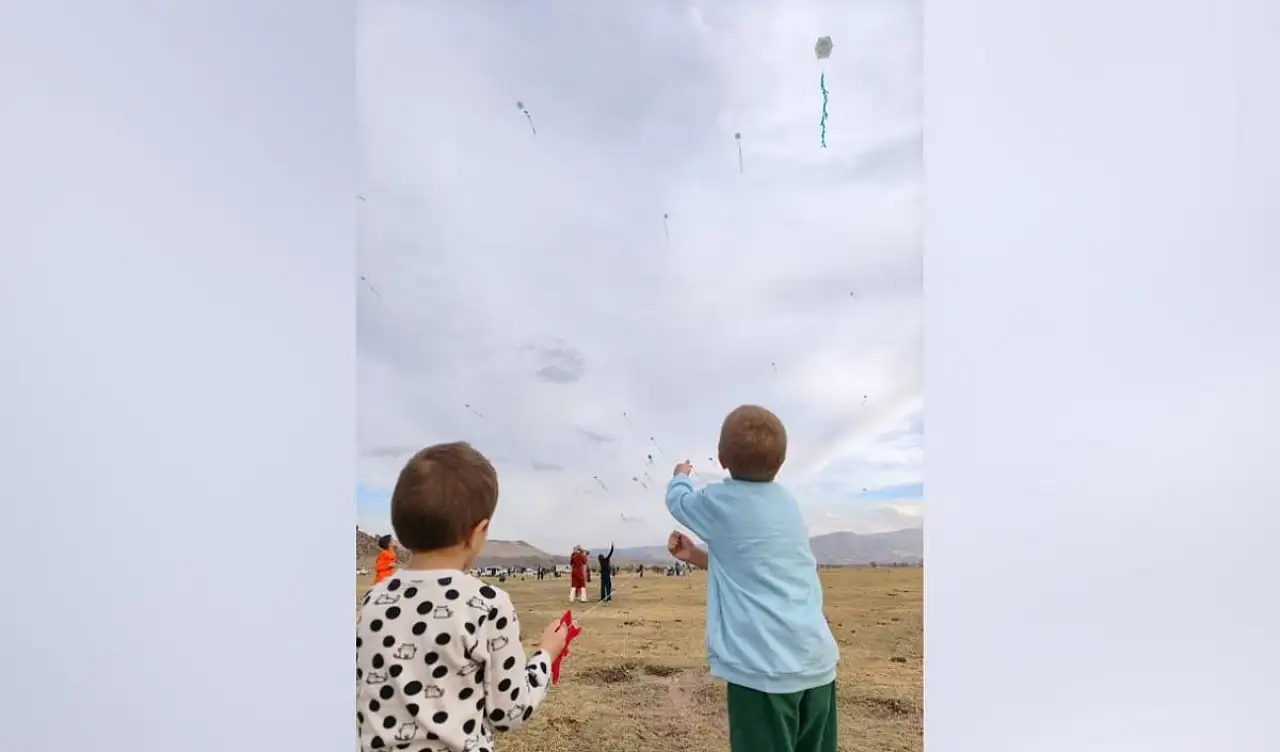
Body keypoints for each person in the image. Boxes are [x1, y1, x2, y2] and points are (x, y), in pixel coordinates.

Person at [356, 442, 572, 752]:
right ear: (477, 531)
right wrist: (546, 656)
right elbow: (508, 712)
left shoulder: (373, 600)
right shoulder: (487, 604)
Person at [664, 405, 840, 752]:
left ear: (721, 457)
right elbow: (756, 568)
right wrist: (696, 556)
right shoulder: (787, 505)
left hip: (764, 674)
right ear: (781, 460)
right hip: (817, 667)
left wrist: (680, 474)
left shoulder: (721, 500)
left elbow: (678, 501)